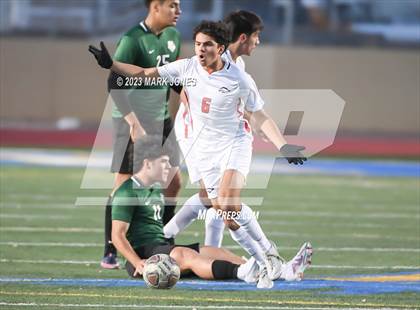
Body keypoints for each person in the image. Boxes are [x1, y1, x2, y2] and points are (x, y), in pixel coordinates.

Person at [89, 21, 310, 288]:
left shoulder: (239, 79)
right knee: (226, 214)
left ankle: (266, 260)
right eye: (197, 44)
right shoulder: (187, 68)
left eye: (207, 45)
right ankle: (265, 259)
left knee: (227, 202)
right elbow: (146, 73)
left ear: (220, 48)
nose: (201, 50)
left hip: (234, 143)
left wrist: (282, 145)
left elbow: (260, 115)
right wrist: (112, 64)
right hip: (205, 150)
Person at [164, 10, 268, 250]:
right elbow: (175, 76)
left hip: (217, 136)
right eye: (256, 35)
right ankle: (253, 253)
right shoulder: (214, 58)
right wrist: (189, 95)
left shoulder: (235, 65)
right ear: (243, 37)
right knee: (216, 199)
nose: (258, 41)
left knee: (215, 199)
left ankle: (173, 236)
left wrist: (256, 121)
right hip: (196, 133)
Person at [111, 135, 260, 283]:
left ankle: (261, 268)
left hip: (159, 247)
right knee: (186, 255)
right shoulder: (127, 192)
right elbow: (117, 235)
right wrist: (137, 262)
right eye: (164, 162)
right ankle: (240, 272)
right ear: (147, 164)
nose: (169, 167)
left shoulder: (156, 189)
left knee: (214, 252)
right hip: (143, 255)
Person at [101, 0, 183, 269]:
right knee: (124, 185)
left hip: (162, 119)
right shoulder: (132, 39)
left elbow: (172, 79)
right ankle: (111, 249)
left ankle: (163, 238)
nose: (178, 11)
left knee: (174, 182)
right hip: (132, 121)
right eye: (172, 5)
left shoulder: (173, 36)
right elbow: (114, 81)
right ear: (155, 6)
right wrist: (133, 123)